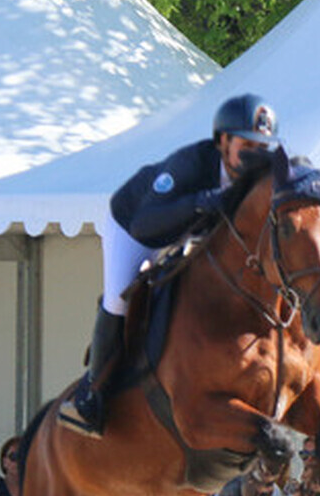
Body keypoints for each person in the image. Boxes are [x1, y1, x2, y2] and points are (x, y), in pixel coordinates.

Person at [57, 93, 282, 438]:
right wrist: (202, 201)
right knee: (119, 298)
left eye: (262, 148)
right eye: (246, 146)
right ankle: (92, 395)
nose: (255, 156)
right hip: (137, 226)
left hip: (193, 233)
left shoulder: (260, 175)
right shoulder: (191, 164)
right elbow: (146, 224)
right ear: (223, 141)